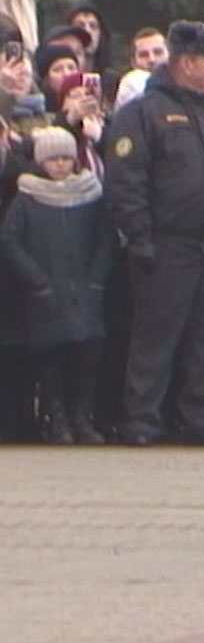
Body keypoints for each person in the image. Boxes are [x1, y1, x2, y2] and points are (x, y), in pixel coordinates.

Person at [105, 21, 204, 446]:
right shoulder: (143, 113)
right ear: (186, 62)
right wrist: (140, 237)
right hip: (166, 244)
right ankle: (143, 419)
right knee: (156, 337)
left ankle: (203, 416)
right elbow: (127, 181)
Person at [0, 126, 114, 444]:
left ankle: (81, 416)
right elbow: (10, 241)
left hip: (85, 288)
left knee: (87, 354)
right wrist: (36, 280)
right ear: (41, 162)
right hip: (45, 291)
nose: (61, 165)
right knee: (50, 358)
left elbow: (106, 240)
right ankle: (58, 417)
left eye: (66, 158)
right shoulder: (27, 197)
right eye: (53, 159)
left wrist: (96, 280)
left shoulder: (91, 193)